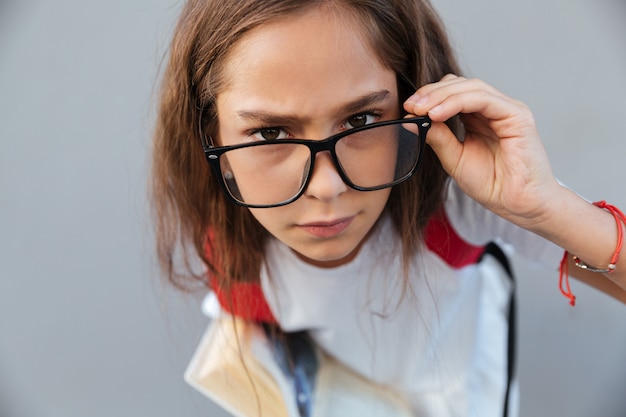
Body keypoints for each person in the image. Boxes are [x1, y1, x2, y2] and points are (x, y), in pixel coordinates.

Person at [150, 0, 626, 416]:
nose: (327, 187)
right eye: (271, 134)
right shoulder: (237, 253)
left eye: (361, 119)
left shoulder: (454, 203)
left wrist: (542, 208)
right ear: (211, 137)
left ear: (410, 106)